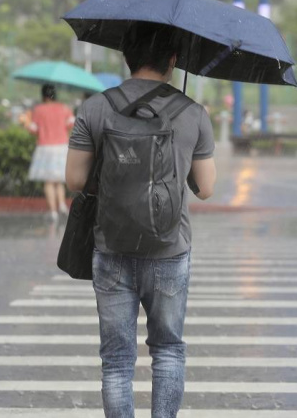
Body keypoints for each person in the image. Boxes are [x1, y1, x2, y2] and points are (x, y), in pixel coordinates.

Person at [65, 23, 216, 418]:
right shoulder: (193, 113)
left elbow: (75, 180)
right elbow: (206, 188)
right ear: (173, 60)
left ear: (125, 55)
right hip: (169, 249)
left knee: (116, 361)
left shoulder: (96, 106)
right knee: (167, 350)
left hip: (111, 246)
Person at [27, 84, 74, 221]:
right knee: (59, 180)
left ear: (43, 95)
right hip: (61, 147)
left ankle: (53, 211)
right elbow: (71, 123)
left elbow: (34, 129)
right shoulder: (64, 108)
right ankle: (62, 205)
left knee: (48, 181)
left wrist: (28, 124)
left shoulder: (39, 110)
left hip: (45, 148)